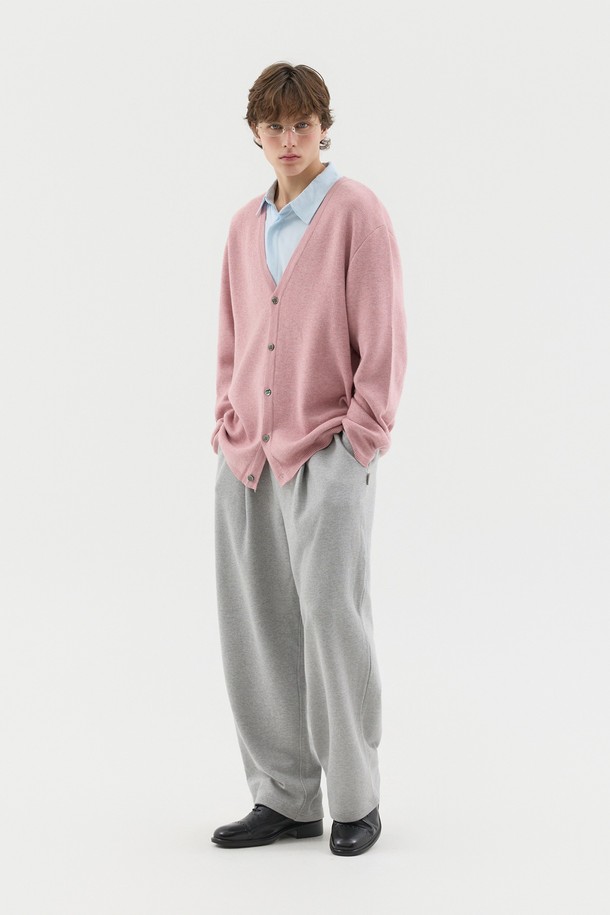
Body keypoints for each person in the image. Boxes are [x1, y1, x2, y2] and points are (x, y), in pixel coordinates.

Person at [210, 61, 407, 856]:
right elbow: (232, 338)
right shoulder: (244, 226)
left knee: (333, 622)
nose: (289, 139)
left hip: (326, 450)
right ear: (255, 133)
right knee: (257, 629)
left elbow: (384, 339)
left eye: (302, 124)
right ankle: (285, 796)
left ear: (324, 127)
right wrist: (227, 424)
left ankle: (357, 799)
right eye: (275, 126)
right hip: (247, 457)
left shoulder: (357, 212)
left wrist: (360, 440)